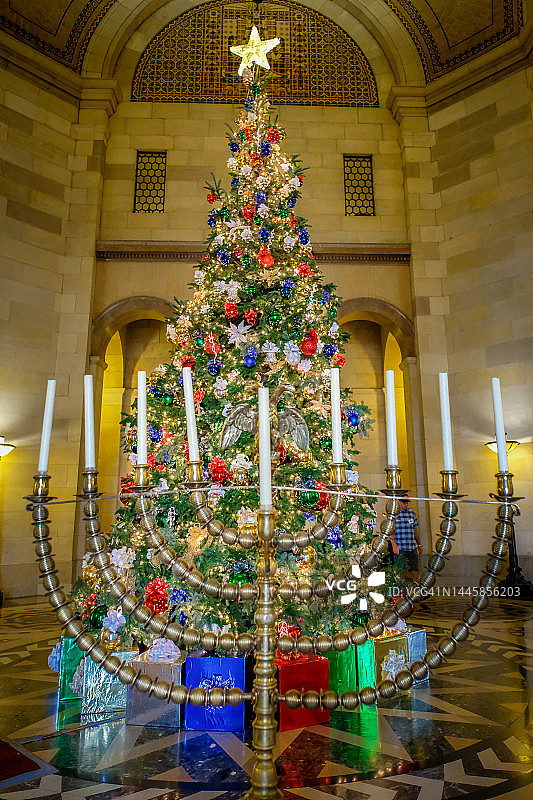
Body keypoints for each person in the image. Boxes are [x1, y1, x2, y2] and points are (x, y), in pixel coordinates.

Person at [390, 498, 422, 582]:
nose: (406, 505)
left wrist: (419, 545)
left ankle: (417, 586)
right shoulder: (394, 514)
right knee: (399, 570)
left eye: (407, 503)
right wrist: (393, 544)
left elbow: (415, 529)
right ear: (398, 502)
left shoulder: (411, 513)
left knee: (415, 568)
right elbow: (390, 531)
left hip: (412, 547)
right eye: (403, 503)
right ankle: (400, 589)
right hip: (400, 547)